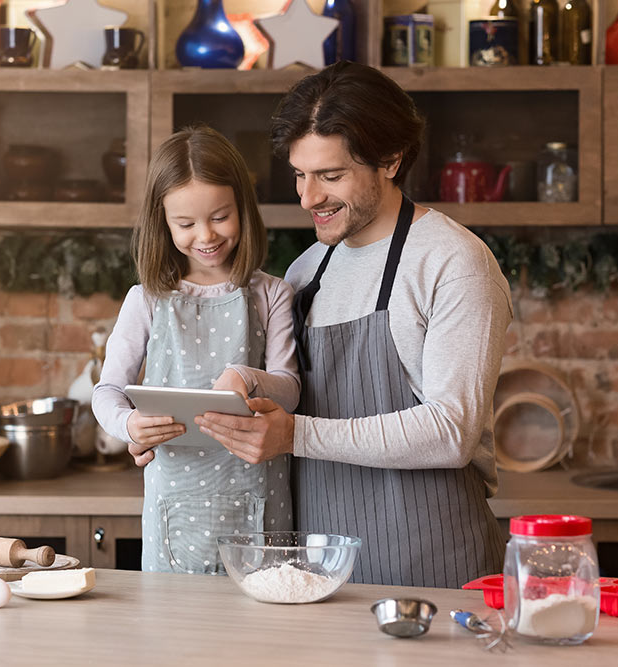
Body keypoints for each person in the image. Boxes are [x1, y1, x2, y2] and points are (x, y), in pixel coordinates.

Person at [190, 62, 513, 588]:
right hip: (322, 571)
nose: (308, 197)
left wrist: (294, 434)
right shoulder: (306, 271)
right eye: (299, 173)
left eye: (331, 176)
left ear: (390, 159)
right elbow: (283, 398)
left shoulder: (454, 262)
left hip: (433, 565)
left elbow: (451, 432)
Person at [92, 126, 300, 574]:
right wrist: (129, 424)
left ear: (243, 207)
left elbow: (290, 390)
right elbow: (106, 391)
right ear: (162, 223)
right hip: (175, 500)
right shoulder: (146, 298)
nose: (205, 235)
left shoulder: (272, 294)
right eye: (185, 224)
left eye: (221, 216)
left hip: (258, 493)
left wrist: (250, 377)